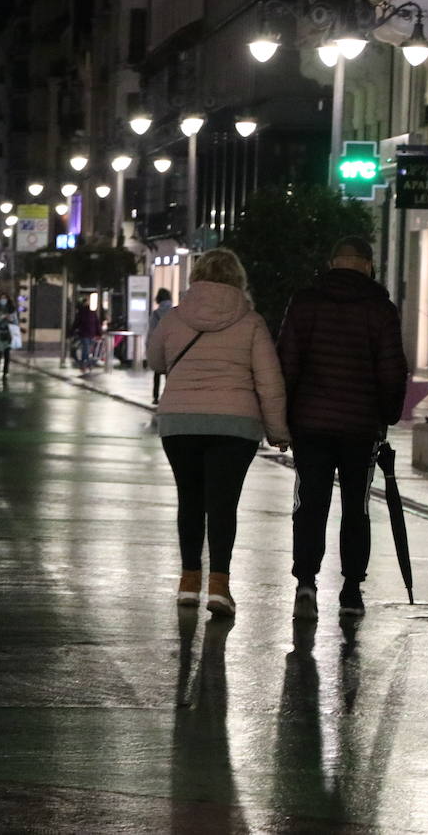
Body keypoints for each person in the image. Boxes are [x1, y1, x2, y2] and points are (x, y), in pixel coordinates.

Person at [147, 248, 289, 614]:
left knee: (189, 500)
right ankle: (219, 588)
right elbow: (269, 382)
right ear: (238, 279)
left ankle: (188, 583)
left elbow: (155, 360)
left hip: (180, 423)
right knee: (223, 505)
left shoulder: (175, 317)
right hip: (235, 425)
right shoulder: (252, 322)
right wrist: (277, 430)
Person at [276, 236, 408, 619]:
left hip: (311, 425)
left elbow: (287, 363)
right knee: (356, 507)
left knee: (310, 504)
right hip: (360, 427)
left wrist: (283, 417)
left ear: (332, 263)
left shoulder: (304, 302)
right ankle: (351, 589)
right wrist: (387, 416)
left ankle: (306, 584)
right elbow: (392, 371)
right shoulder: (380, 310)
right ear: (367, 265)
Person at [148, 288, 174, 405]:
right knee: (171, 372)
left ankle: (155, 397)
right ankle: (169, 396)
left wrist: (149, 347)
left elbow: (152, 332)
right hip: (172, 346)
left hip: (160, 346)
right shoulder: (175, 312)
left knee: (157, 372)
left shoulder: (156, 314)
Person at [71, 299, 102, 375]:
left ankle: (85, 364)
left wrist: (71, 331)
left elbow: (76, 323)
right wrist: (99, 333)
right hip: (91, 334)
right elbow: (97, 323)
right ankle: (87, 364)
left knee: (86, 349)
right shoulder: (92, 313)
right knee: (88, 349)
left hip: (84, 334)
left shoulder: (81, 313)